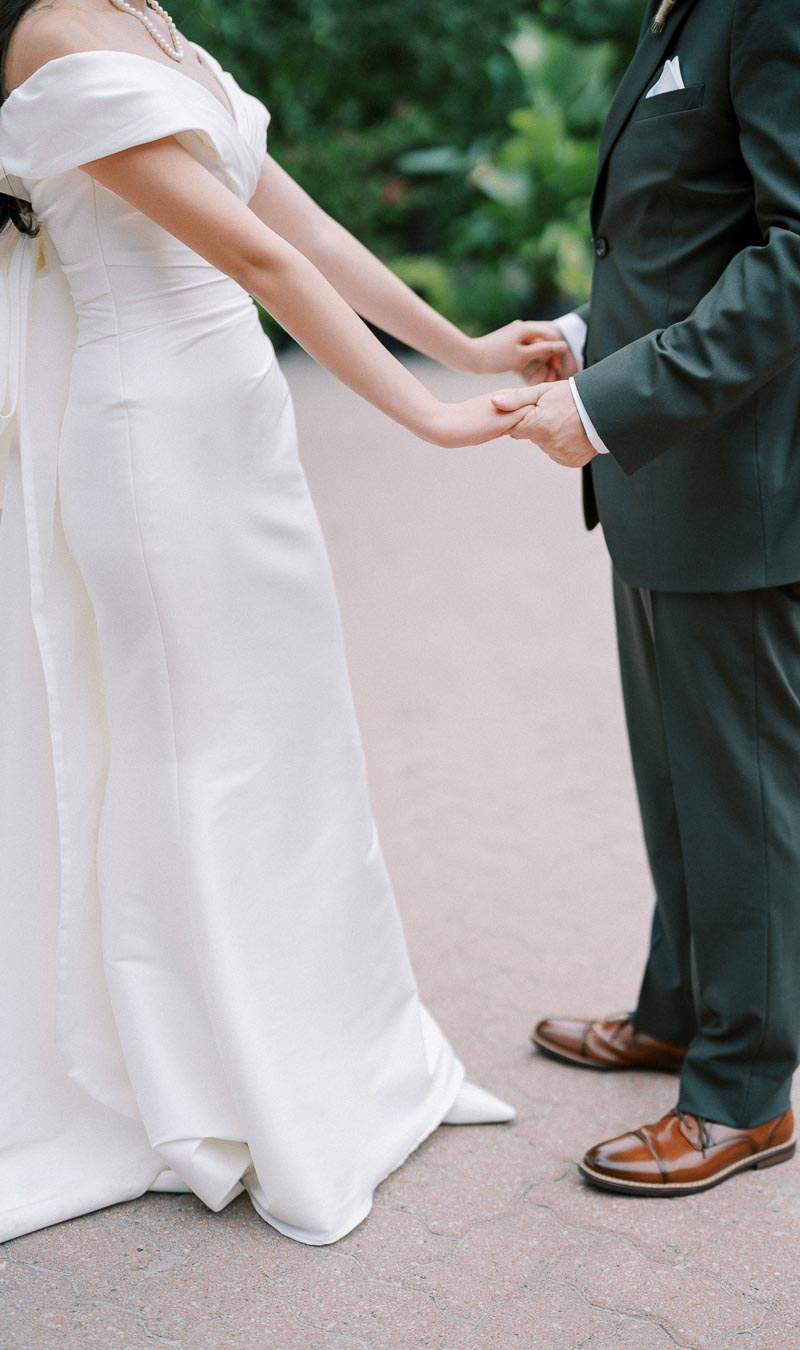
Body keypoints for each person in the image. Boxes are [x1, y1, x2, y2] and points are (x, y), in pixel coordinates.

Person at [0, 0, 568, 1245]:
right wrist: (419, 416)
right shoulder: (53, 37)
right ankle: (220, 1089)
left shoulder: (149, 21)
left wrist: (461, 348)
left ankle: (350, 1060)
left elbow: (300, 223)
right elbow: (259, 265)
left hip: (234, 431)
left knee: (292, 750)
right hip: (154, 446)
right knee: (202, 763)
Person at [494, 0, 800, 1195]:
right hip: (667, 472)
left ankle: (743, 1096)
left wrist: (617, 403)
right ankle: (680, 1007)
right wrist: (588, 333)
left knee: (745, 788)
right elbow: (689, 222)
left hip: (743, 473)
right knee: (681, 773)